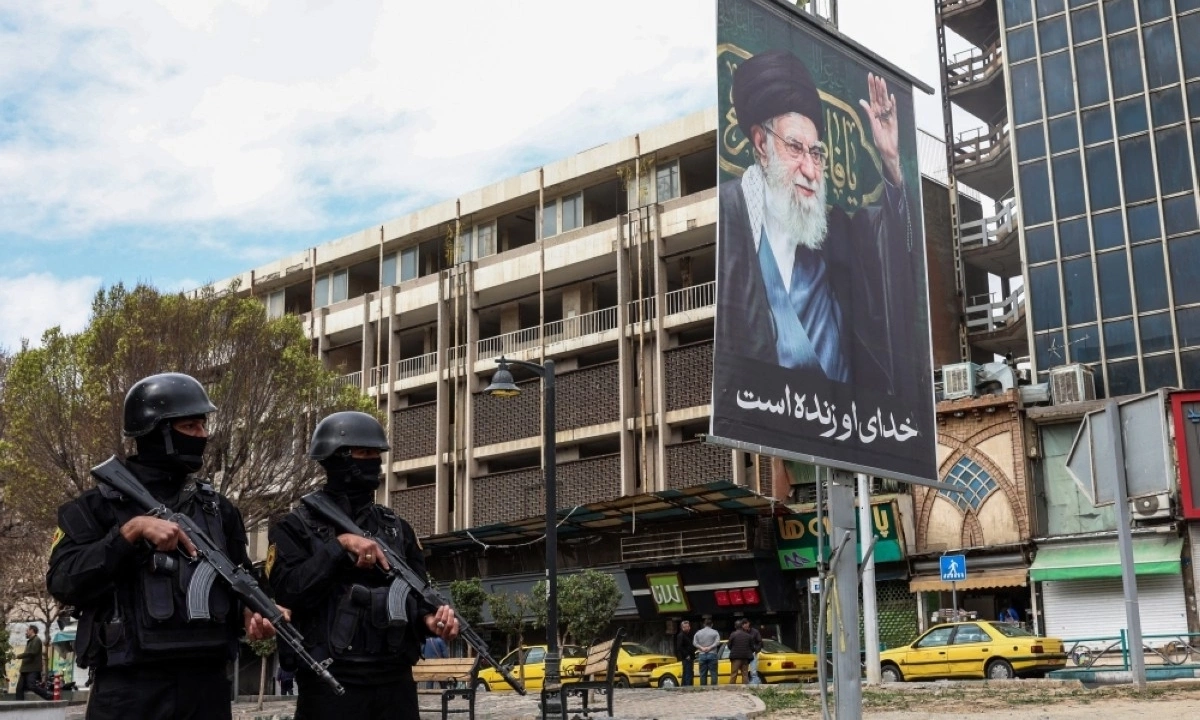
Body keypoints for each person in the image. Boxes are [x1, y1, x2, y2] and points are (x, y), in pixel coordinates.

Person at [46, 372, 278, 720]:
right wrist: (129, 534)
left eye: (203, 426)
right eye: (191, 427)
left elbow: (240, 575)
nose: (202, 436)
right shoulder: (95, 507)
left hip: (207, 685)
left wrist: (251, 611)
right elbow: (63, 581)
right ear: (158, 433)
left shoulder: (218, 509)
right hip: (130, 688)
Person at [712, 50, 922, 428]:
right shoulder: (730, 218)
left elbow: (894, 250)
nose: (810, 169)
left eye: (817, 153)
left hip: (845, 430)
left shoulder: (834, 234)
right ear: (761, 144)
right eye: (795, 148)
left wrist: (891, 161)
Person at [267, 411, 460, 720]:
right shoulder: (294, 527)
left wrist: (430, 618)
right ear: (337, 457)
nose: (375, 462)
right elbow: (287, 592)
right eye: (365, 453)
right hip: (330, 681)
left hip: (394, 681)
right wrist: (339, 547)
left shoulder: (397, 528)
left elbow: (417, 590)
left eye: (377, 454)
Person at [15, 625, 50, 700]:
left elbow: (32, 652)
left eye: (27, 630)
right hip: (25, 669)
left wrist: (18, 656)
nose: (26, 632)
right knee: (19, 688)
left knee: (31, 685)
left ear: (32, 630)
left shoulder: (36, 640)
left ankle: (48, 696)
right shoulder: (30, 641)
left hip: (33, 668)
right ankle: (19, 705)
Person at [692, 618, 720, 686]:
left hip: (702, 654)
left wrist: (701, 647)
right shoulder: (715, 632)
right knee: (713, 673)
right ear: (712, 624)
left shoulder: (698, 633)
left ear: (704, 624)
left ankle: (703, 688)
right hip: (712, 653)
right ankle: (713, 688)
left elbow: (694, 643)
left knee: (703, 673)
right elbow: (717, 642)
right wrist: (710, 647)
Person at [674, 619, 696, 687]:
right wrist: (686, 655)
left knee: (688, 672)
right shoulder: (681, 635)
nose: (688, 628)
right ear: (682, 627)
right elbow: (679, 647)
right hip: (686, 657)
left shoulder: (689, 634)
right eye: (686, 626)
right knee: (687, 672)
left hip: (691, 656)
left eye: (688, 626)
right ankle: (687, 686)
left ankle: (685, 685)